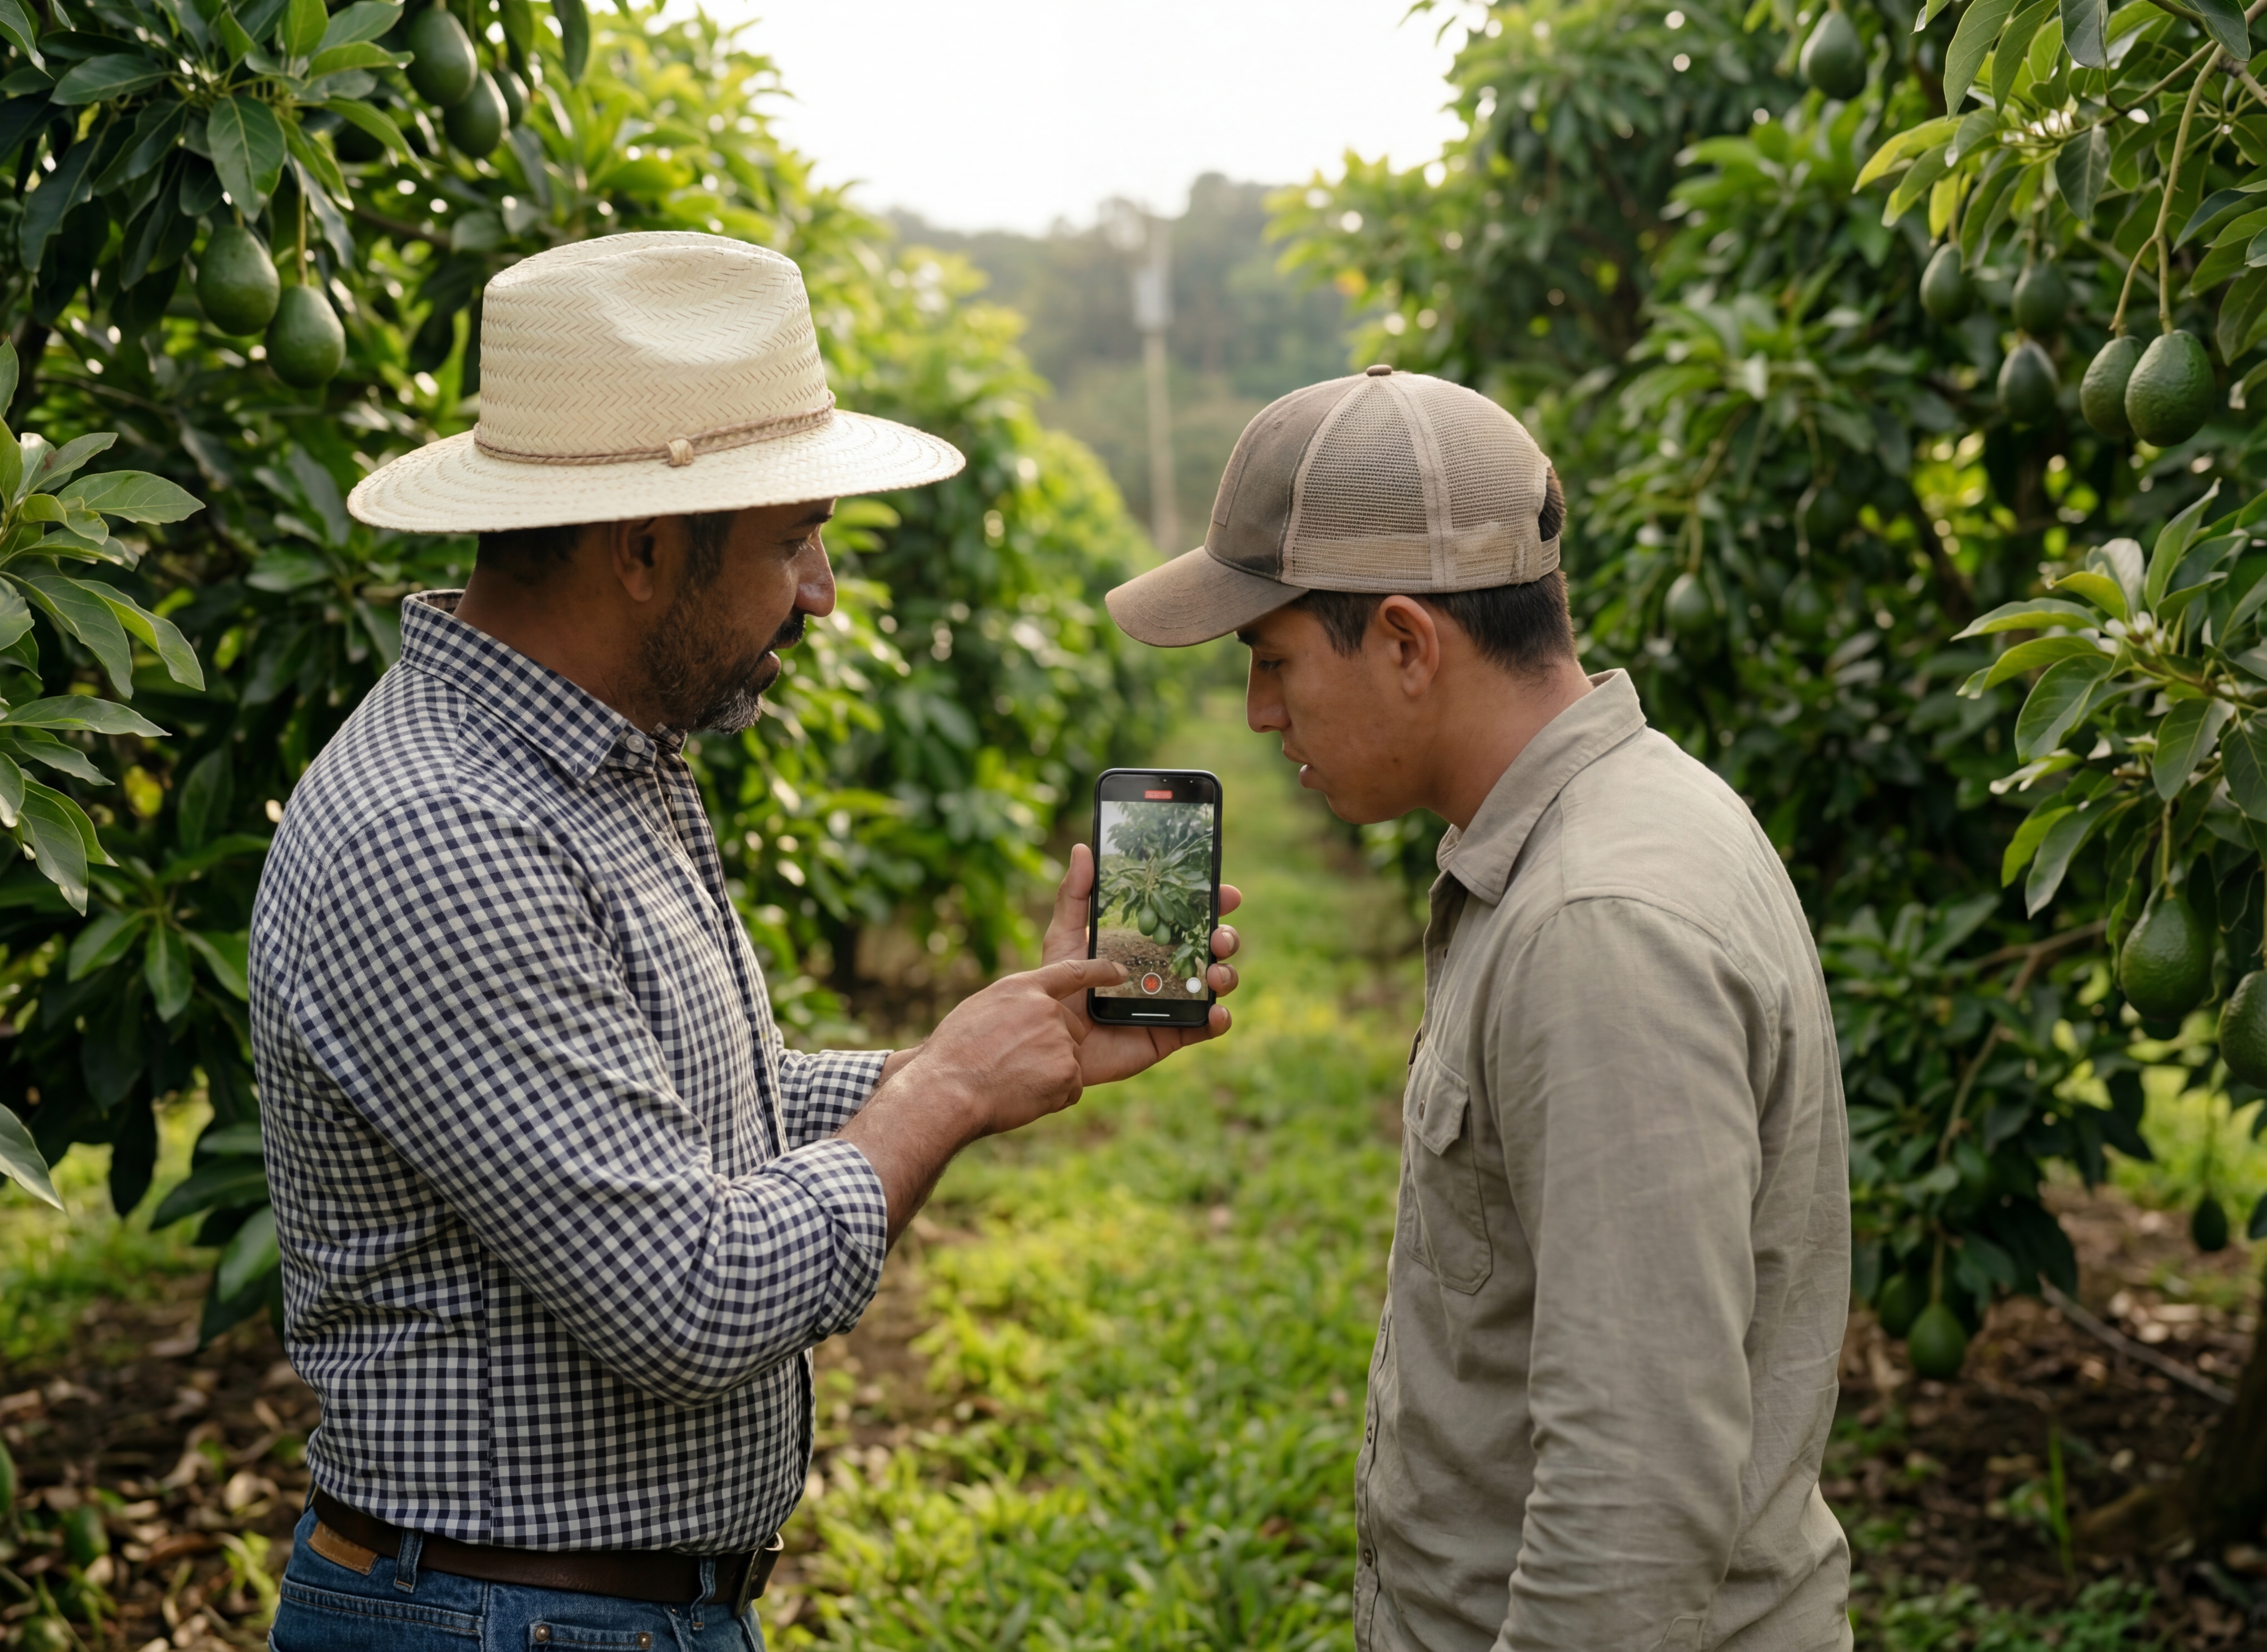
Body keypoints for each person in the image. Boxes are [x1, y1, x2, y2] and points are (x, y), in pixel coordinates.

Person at [248, 231, 1242, 1652]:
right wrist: (942, 1093)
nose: (822, 590)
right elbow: (691, 1298)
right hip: (498, 1619)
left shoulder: (602, 761)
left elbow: (697, 1116)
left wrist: (996, 1046)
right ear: (647, 548)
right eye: (793, 540)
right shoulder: (445, 827)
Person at [1106, 365, 1851, 1652]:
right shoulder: (1601, 834)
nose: (1260, 714)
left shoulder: (1599, 928)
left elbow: (1632, 1506)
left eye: (1274, 662)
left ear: (1407, 642)